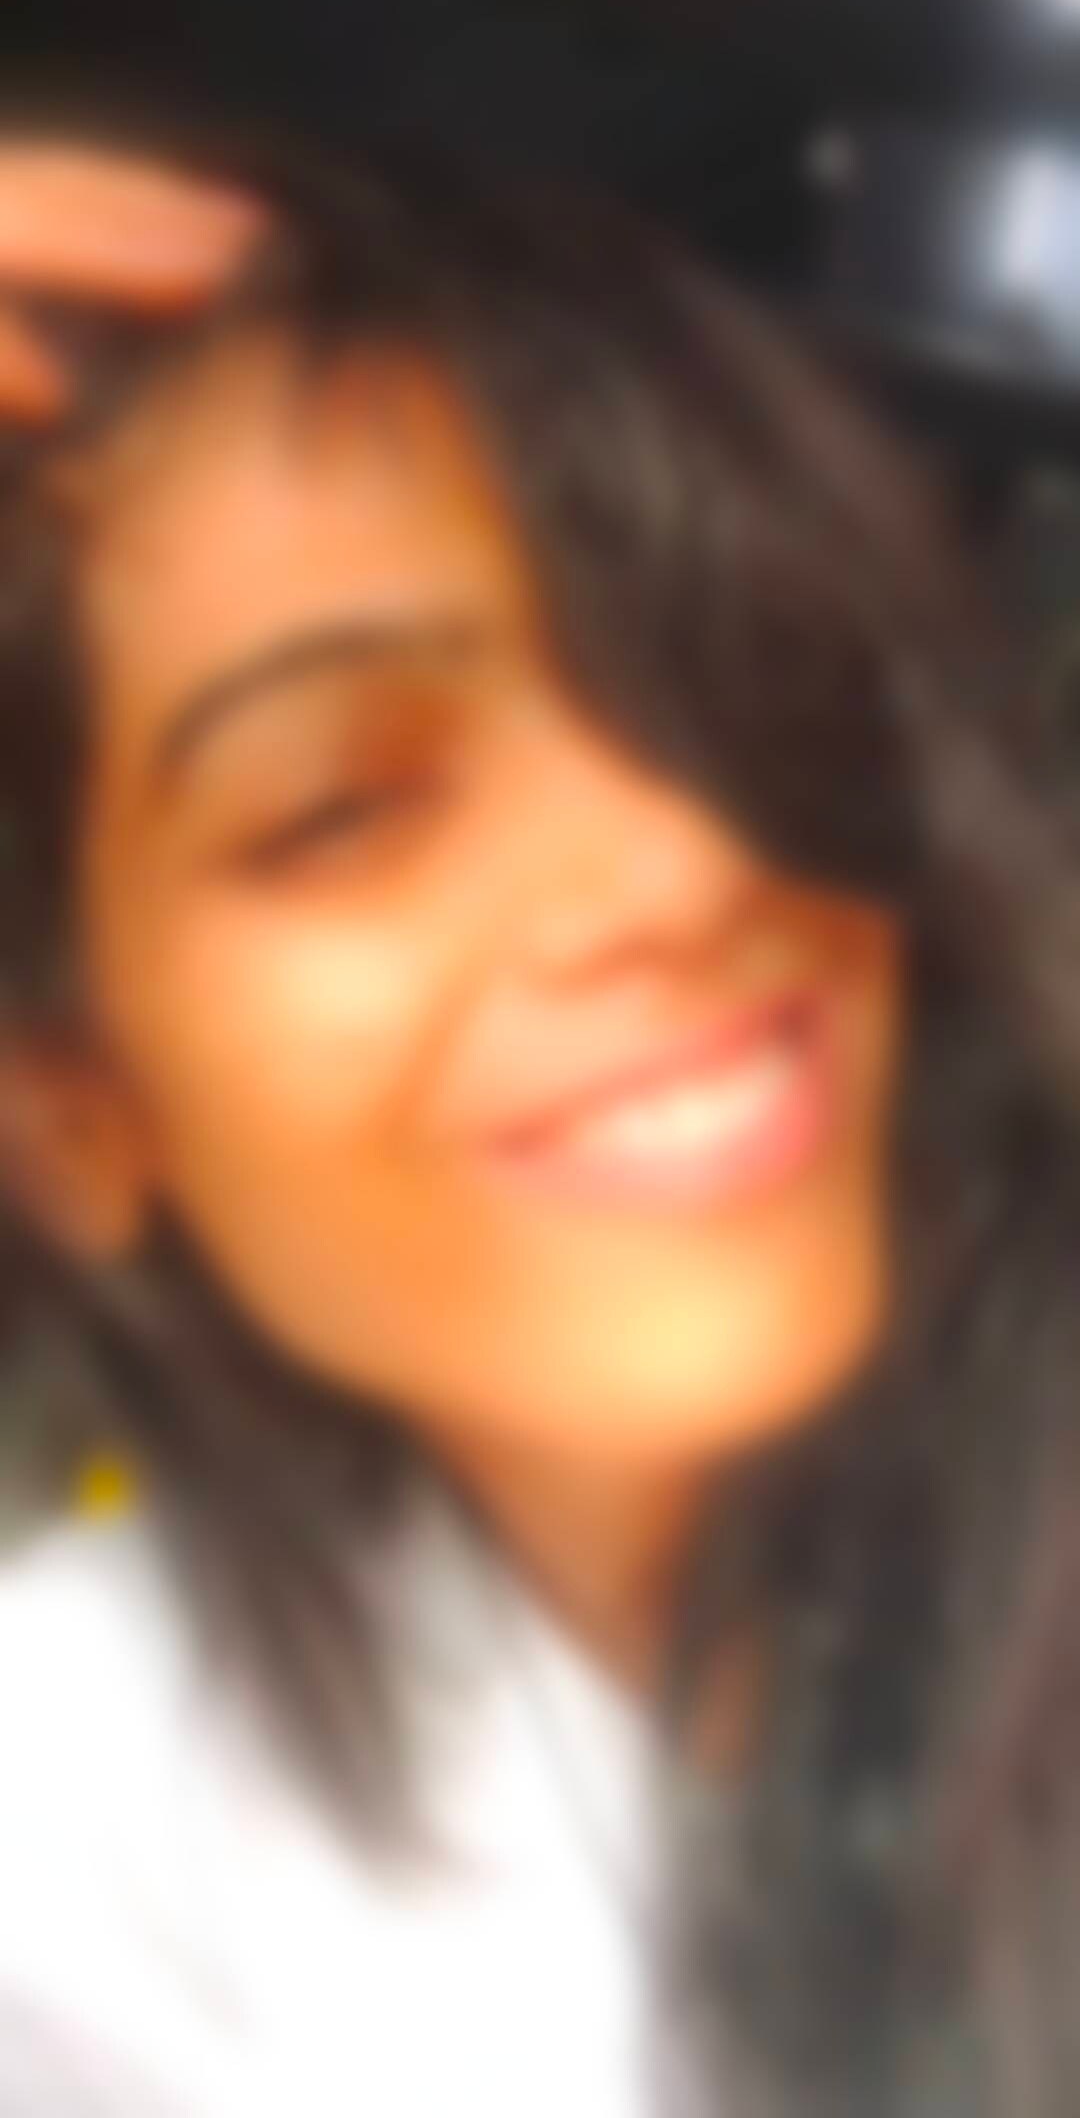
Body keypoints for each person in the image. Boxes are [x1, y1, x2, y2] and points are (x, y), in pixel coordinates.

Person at [0, 130, 1075, 2118]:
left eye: (725, 683)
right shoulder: (75, 1814)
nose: (679, 868)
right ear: (75, 1112)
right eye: (343, 807)